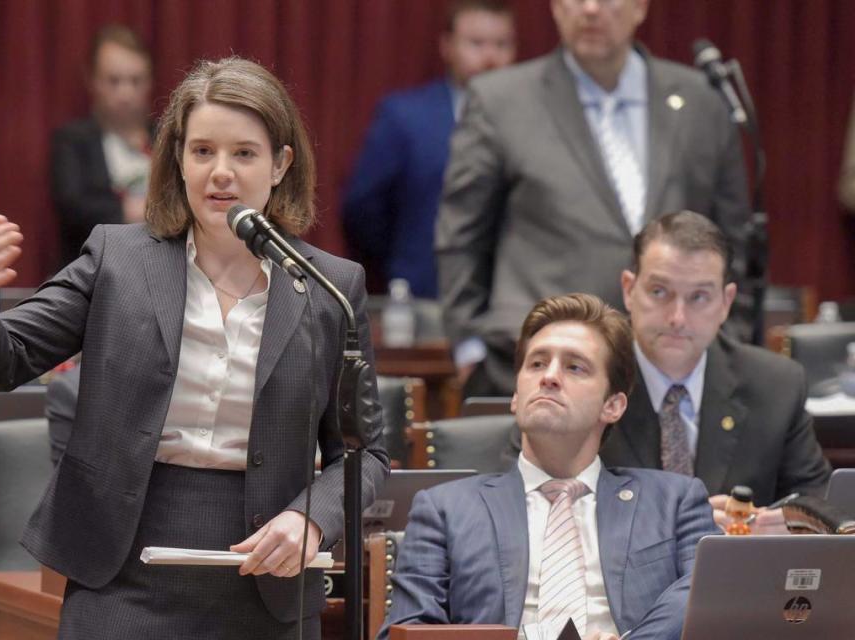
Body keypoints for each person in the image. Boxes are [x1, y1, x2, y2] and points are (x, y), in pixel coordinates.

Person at [0, 57, 389, 640]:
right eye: (202, 151)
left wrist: (312, 519)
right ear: (176, 158)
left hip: (263, 570)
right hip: (121, 572)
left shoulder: (329, 286)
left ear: (281, 163)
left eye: (244, 154)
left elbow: (366, 455)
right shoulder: (118, 259)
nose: (220, 173)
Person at [437, 0, 752, 397]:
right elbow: (461, 235)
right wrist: (470, 347)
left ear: (640, 7)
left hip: (672, 364)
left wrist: (730, 342)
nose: (589, 9)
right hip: (537, 366)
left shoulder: (699, 100)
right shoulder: (502, 99)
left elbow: (734, 238)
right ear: (554, 8)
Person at [381, 293, 718, 640]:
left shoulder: (674, 501)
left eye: (575, 367)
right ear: (515, 395)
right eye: (537, 364)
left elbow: (711, 594)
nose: (549, 377)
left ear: (613, 405)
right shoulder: (444, 510)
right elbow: (406, 632)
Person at [600, 210, 831, 512]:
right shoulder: (589, 378)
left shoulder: (776, 386)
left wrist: (778, 525)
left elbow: (818, 506)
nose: (677, 318)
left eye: (698, 297)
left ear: (726, 302)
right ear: (629, 290)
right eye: (659, 292)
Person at [342, 0, 515, 297]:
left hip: (512, 297)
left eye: (502, 44)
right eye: (476, 43)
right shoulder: (405, 117)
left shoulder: (532, 119)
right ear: (447, 46)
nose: (490, 57)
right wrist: (403, 259)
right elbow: (363, 208)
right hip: (424, 293)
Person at [51, 24, 154, 268]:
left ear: (150, 82)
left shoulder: (170, 138)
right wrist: (131, 211)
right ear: (93, 81)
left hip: (160, 266)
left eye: (135, 81)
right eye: (114, 81)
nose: (126, 93)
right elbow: (73, 206)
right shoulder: (73, 140)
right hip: (93, 268)